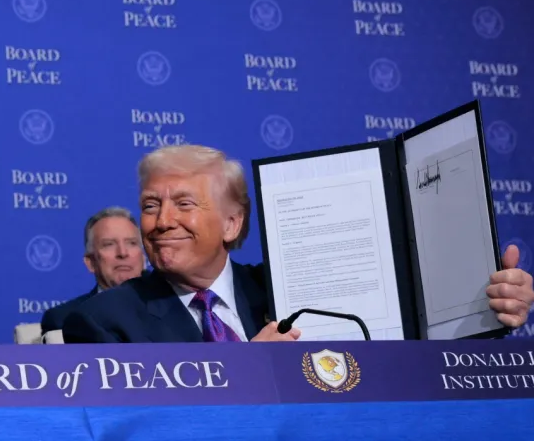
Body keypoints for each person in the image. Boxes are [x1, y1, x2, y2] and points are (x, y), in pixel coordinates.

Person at [63, 144, 534, 344]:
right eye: (150, 205)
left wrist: (487, 307)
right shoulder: (105, 321)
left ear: (232, 223)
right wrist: (243, 373)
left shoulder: (294, 287)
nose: (163, 221)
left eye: (184, 204)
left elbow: (405, 336)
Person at [41, 206, 144, 334]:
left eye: (131, 243)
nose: (122, 253)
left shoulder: (170, 308)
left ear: (143, 257)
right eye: (109, 244)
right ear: (90, 262)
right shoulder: (64, 319)